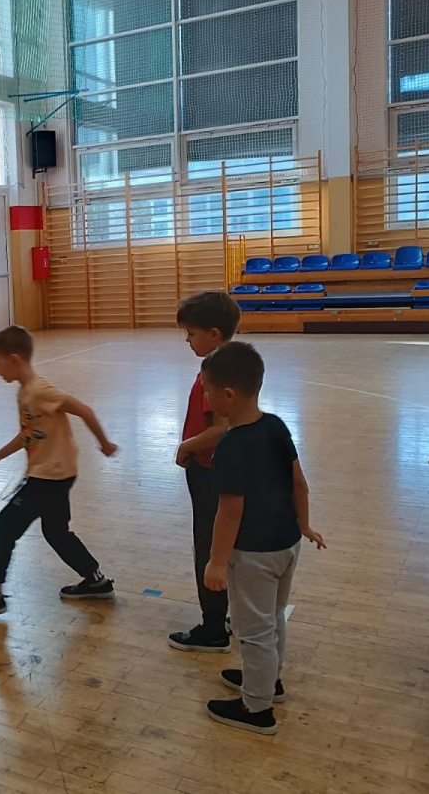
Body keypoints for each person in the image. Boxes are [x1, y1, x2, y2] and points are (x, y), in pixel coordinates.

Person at [200, 341, 325, 735]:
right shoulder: (276, 425)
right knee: (273, 618)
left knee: (253, 632)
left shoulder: (230, 447)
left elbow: (230, 511)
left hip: (253, 555)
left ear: (228, 395)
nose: (204, 398)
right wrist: (304, 525)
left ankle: (256, 708)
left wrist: (217, 561)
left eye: (207, 390)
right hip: (287, 545)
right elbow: (299, 482)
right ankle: (270, 681)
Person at [0, 325, 118, 618]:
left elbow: (84, 410)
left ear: (14, 359)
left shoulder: (40, 391)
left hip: (48, 477)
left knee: (4, 527)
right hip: (57, 474)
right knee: (56, 532)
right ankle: (97, 581)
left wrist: (104, 443)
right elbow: (29, 434)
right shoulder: (24, 393)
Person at [168, 291, 242, 653]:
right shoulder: (235, 364)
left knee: (209, 547)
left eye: (191, 333)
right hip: (222, 469)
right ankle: (227, 613)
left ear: (214, 334)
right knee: (224, 545)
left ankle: (212, 627)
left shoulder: (215, 373)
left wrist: (186, 446)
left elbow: (220, 428)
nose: (187, 340)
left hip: (210, 470)